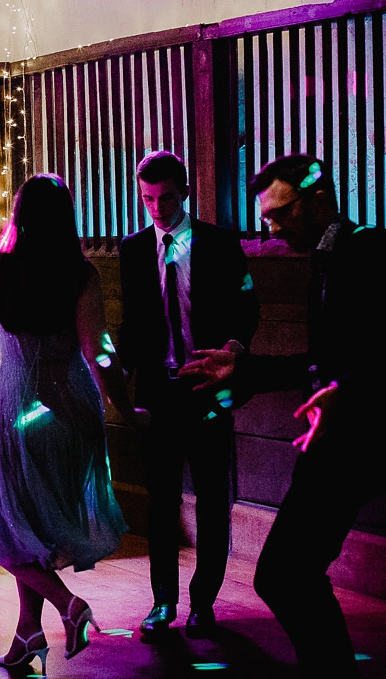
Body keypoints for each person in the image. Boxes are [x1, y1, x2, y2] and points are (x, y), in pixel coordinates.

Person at [185, 154, 386, 677]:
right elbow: (324, 363)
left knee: (284, 573)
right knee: (289, 573)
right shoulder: (326, 259)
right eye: (265, 217)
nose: (269, 227)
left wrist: (346, 389)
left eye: (279, 213)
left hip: (361, 439)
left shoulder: (373, 250)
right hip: (338, 439)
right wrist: (244, 370)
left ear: (318, 199)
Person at [0, 174, 134, 678]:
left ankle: (69, 605)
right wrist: (127, 405)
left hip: (16, 416)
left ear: (20, 215)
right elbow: (99, 353)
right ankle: (28, 636)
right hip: (69, 417)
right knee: (29, 531)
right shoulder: (81, 275)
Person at [117, 151, 258, 639]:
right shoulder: (134, 249)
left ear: (185, 193)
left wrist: (234, 349)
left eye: (167, 198)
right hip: (161, 390)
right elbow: (134, 324)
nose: (156, 209)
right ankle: (162, 602)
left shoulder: (219, 244)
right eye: (149, 199)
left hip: (207, 386)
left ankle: (204, 601)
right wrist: (116, 376)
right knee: (161, 502)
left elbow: (246, 305)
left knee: (213, 499)